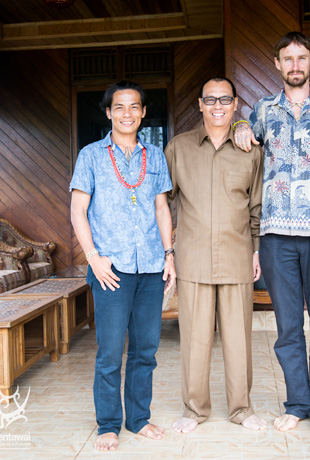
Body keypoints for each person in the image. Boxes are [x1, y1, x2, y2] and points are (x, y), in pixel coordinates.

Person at [234, 32, 310, 436]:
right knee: (288, 329)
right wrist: (238, 125)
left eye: (301, 58)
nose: (294, 65)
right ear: (276, 64)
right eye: (286, 58)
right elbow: (242, 134)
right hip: (276, 238)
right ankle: (296, 404)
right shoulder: (263, 109)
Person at [70, 80, 175, 451]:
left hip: (149, 265)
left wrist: (169, 255)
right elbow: (77, 211)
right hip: (109, 270)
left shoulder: (156, 156)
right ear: (109, 112)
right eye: (120, 107)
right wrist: (93, 258)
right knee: (111, 351)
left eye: (135, 107)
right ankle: (108, 424)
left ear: (144, 113)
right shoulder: (91, 156)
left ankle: (139, 418)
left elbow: (162, 208)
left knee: (146, 349)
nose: (127, 113)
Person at [164, 77, 266, 433]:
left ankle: (242, 408)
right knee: (195, 340)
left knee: (238, 340)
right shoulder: (179, 148)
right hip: (192, 258)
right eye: (211, 100)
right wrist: (168, 253)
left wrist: (255, 251)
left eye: (225, 99)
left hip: (238, 255)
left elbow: (256, 207)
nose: (218, 106)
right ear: (200, 104)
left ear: (236, 103)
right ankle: (194, 410)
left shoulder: (251, 150)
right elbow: (162, 202)